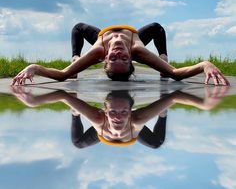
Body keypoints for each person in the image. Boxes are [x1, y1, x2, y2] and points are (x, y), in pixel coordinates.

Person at [11, 22, 230, 86]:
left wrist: (33, 67)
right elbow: (175, 73)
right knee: (156, 27)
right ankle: (162, 56)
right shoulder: (137, 49)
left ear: (104, 58)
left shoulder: (99, 49)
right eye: (123, 58)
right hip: (131, 33)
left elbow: (62, 75)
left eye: (113, 58)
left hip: (103, 34)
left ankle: (76, 57)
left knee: (78, 27)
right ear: (131, 58)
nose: (117, 52)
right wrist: (205, 64)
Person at [11, 85, 229, 147]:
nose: (117, 116)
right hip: (118, 134)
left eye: (122, 111)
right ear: (104, 110)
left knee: (78, 143)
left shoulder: (131, 120)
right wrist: (204, 104)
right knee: (156, 143)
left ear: (131, 111)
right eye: (115, 111)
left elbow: (61, 95)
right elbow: (175, 97)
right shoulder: (131, 120)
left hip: (115, 134)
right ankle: (75, 115)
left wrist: (33, 102)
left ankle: (75, 114)